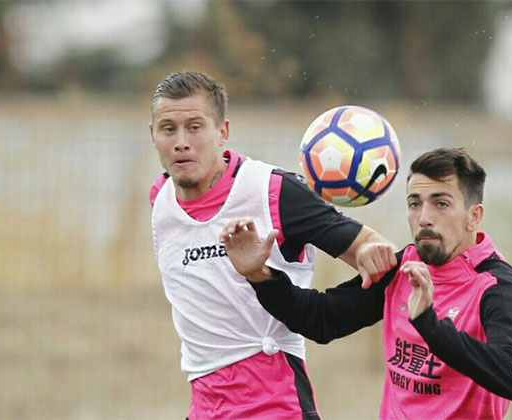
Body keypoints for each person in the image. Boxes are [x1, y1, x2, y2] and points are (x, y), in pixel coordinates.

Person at [148, 70, 397, 420]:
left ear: (223, 132)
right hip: (205, 406)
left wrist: (371, 249)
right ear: (153, 135)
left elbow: (367, 245)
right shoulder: (161, 200)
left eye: (195, 126)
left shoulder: (274, 190)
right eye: (168, 128)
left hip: (274, 404)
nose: (181, 142)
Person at [220, 147, 512, 420]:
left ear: (474, 216)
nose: (424, 217)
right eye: (415, 203)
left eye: (441, 203)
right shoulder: (403, 268)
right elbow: (323, 320)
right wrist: (260, 276)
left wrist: (429, 324)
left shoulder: (496, 287)